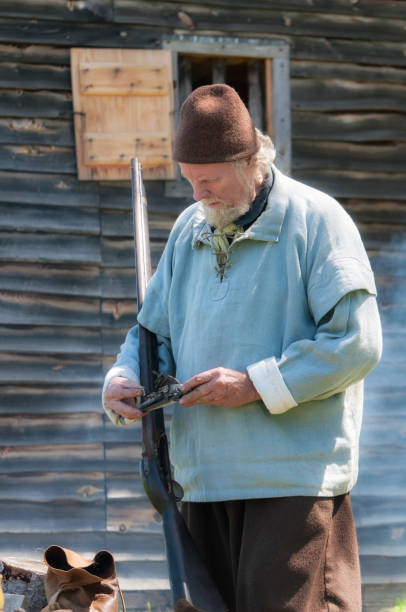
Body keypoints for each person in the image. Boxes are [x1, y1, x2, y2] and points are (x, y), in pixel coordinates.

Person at [103, 84, 382, 612]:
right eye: (190, 180)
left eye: (208, 180)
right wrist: (122, 379)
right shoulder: (190, 230)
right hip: (201, 481)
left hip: (291, 483)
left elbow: (357, 342)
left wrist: (254, 384)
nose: (196, 194)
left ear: (251, 161)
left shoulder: (317, 220)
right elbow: (152, 335)